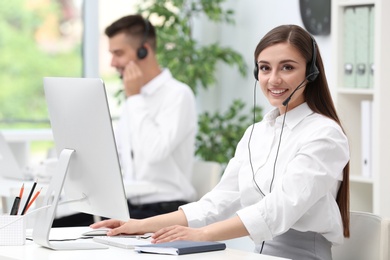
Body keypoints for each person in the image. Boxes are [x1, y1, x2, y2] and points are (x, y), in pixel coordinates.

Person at [91, 24, 350, 260]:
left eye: (288, 67)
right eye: (264, 68)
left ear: (312, 72)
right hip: (254, 252)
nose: (273, 79)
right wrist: (138, 225)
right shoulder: (256, 133)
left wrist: (202, 235)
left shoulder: (325, 134)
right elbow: (217, 202)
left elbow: (279, 208)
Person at [53, 14, 197, 226]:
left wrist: (135, 97)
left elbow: (154, 153)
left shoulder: (177, 95)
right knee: (57, 226)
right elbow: (117, 156)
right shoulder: (133, 98)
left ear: (144, 51)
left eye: (118, 54)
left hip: (166, 208)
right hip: (130, 207)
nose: (113, 63)